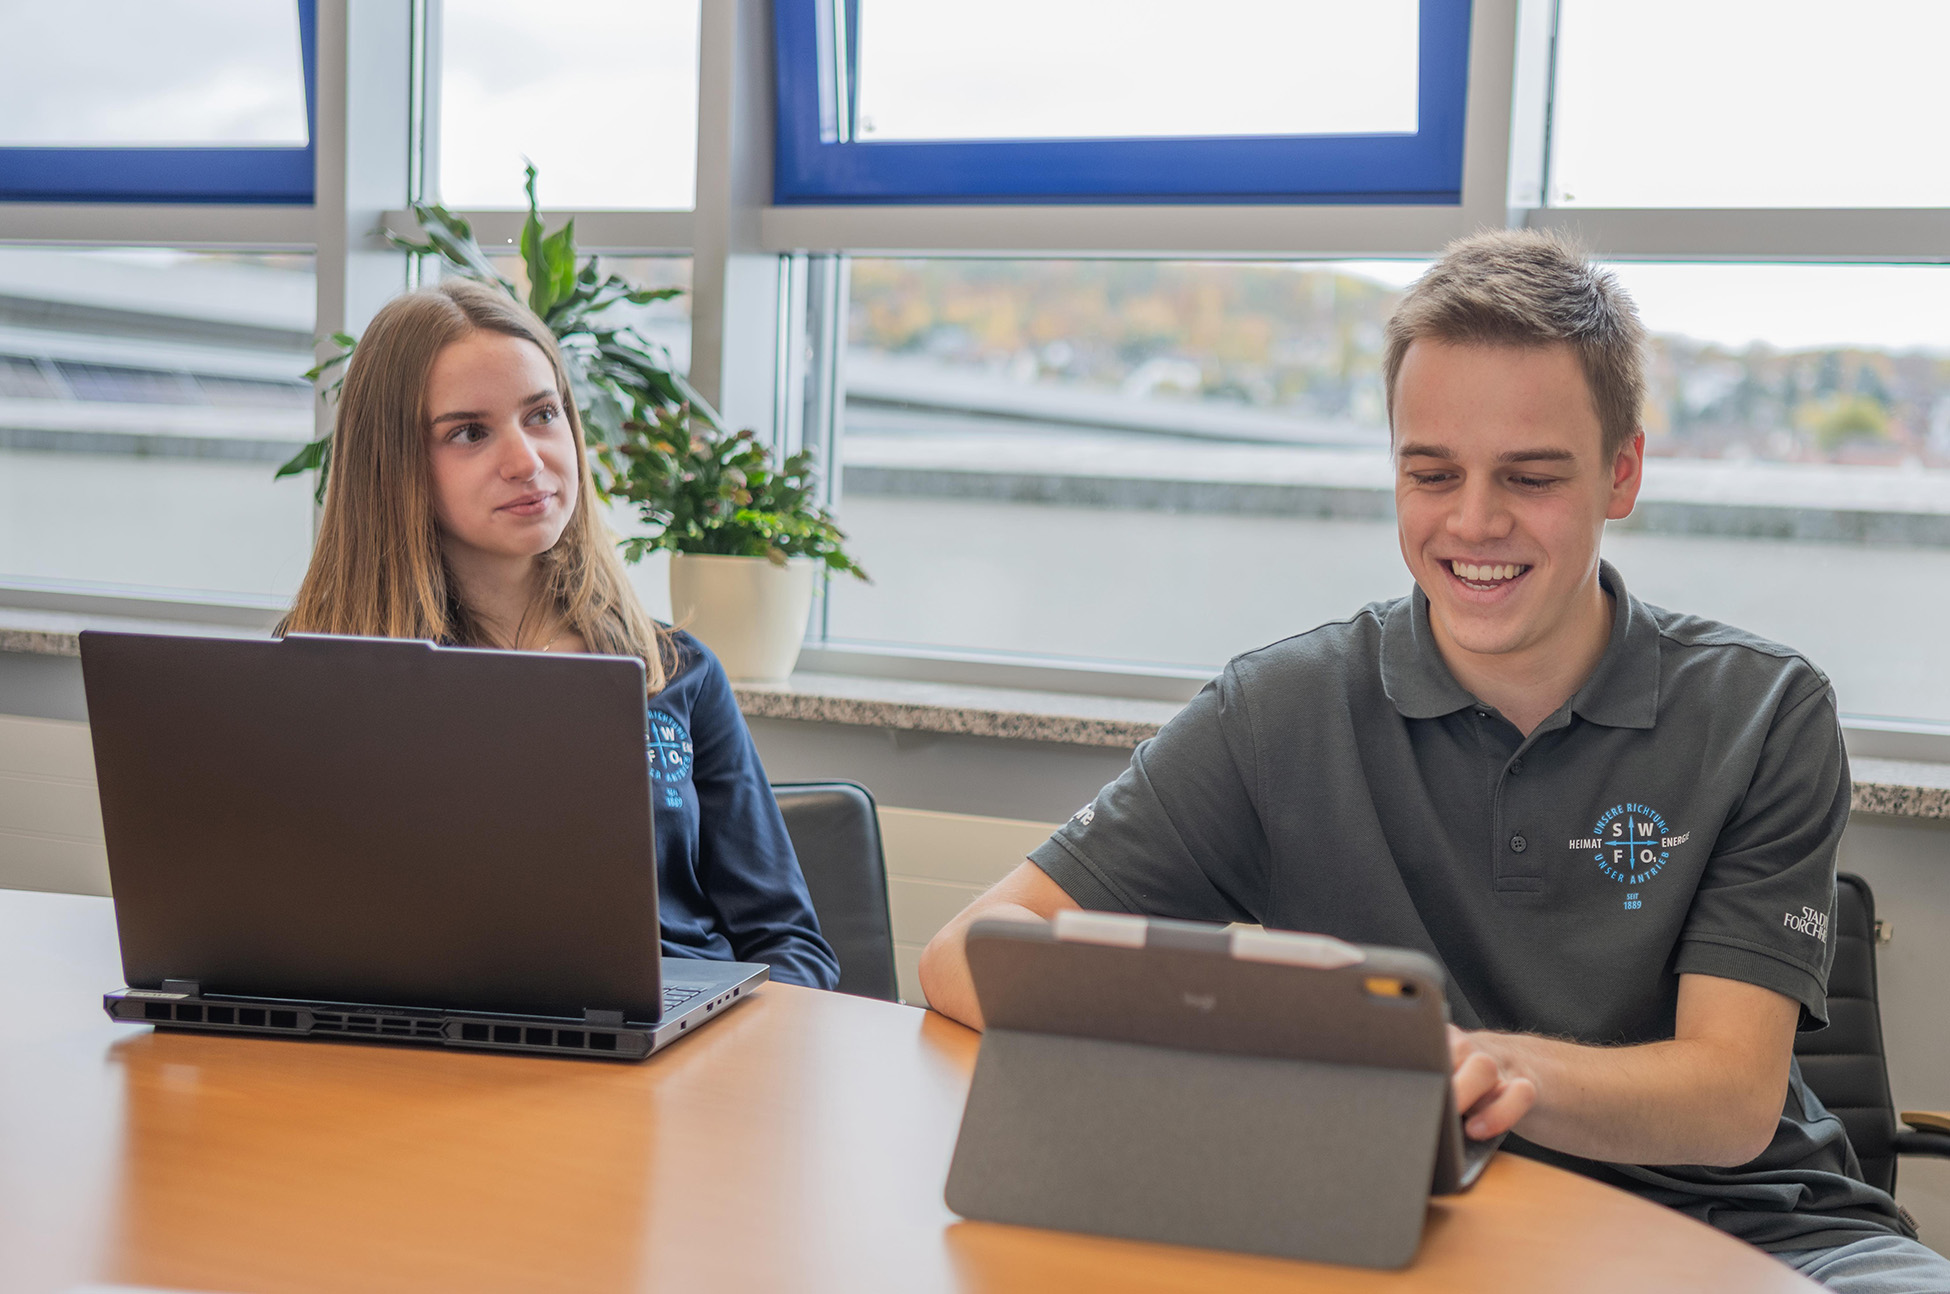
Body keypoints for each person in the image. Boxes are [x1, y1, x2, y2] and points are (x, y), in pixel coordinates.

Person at [920, 231, 1949, 1291]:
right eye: (1432, 473)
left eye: (1530, 475)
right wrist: (1260, 1049)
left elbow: (1729, 1100)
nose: (1474, 521)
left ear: (1621, 473)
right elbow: (968, 955)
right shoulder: (1278, 709)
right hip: (1411, 1233)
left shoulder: (1765, 710)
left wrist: (1484, 1065)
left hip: (1763, 1239)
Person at [281, 278, 840, 991]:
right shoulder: (320, 676)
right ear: (395, 467)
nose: (527, 459)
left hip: (683, 1045)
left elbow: (790, 944)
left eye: (541, 415)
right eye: (469, 432)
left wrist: (731, 1056)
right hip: (437, 1053)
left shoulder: (675, 670)